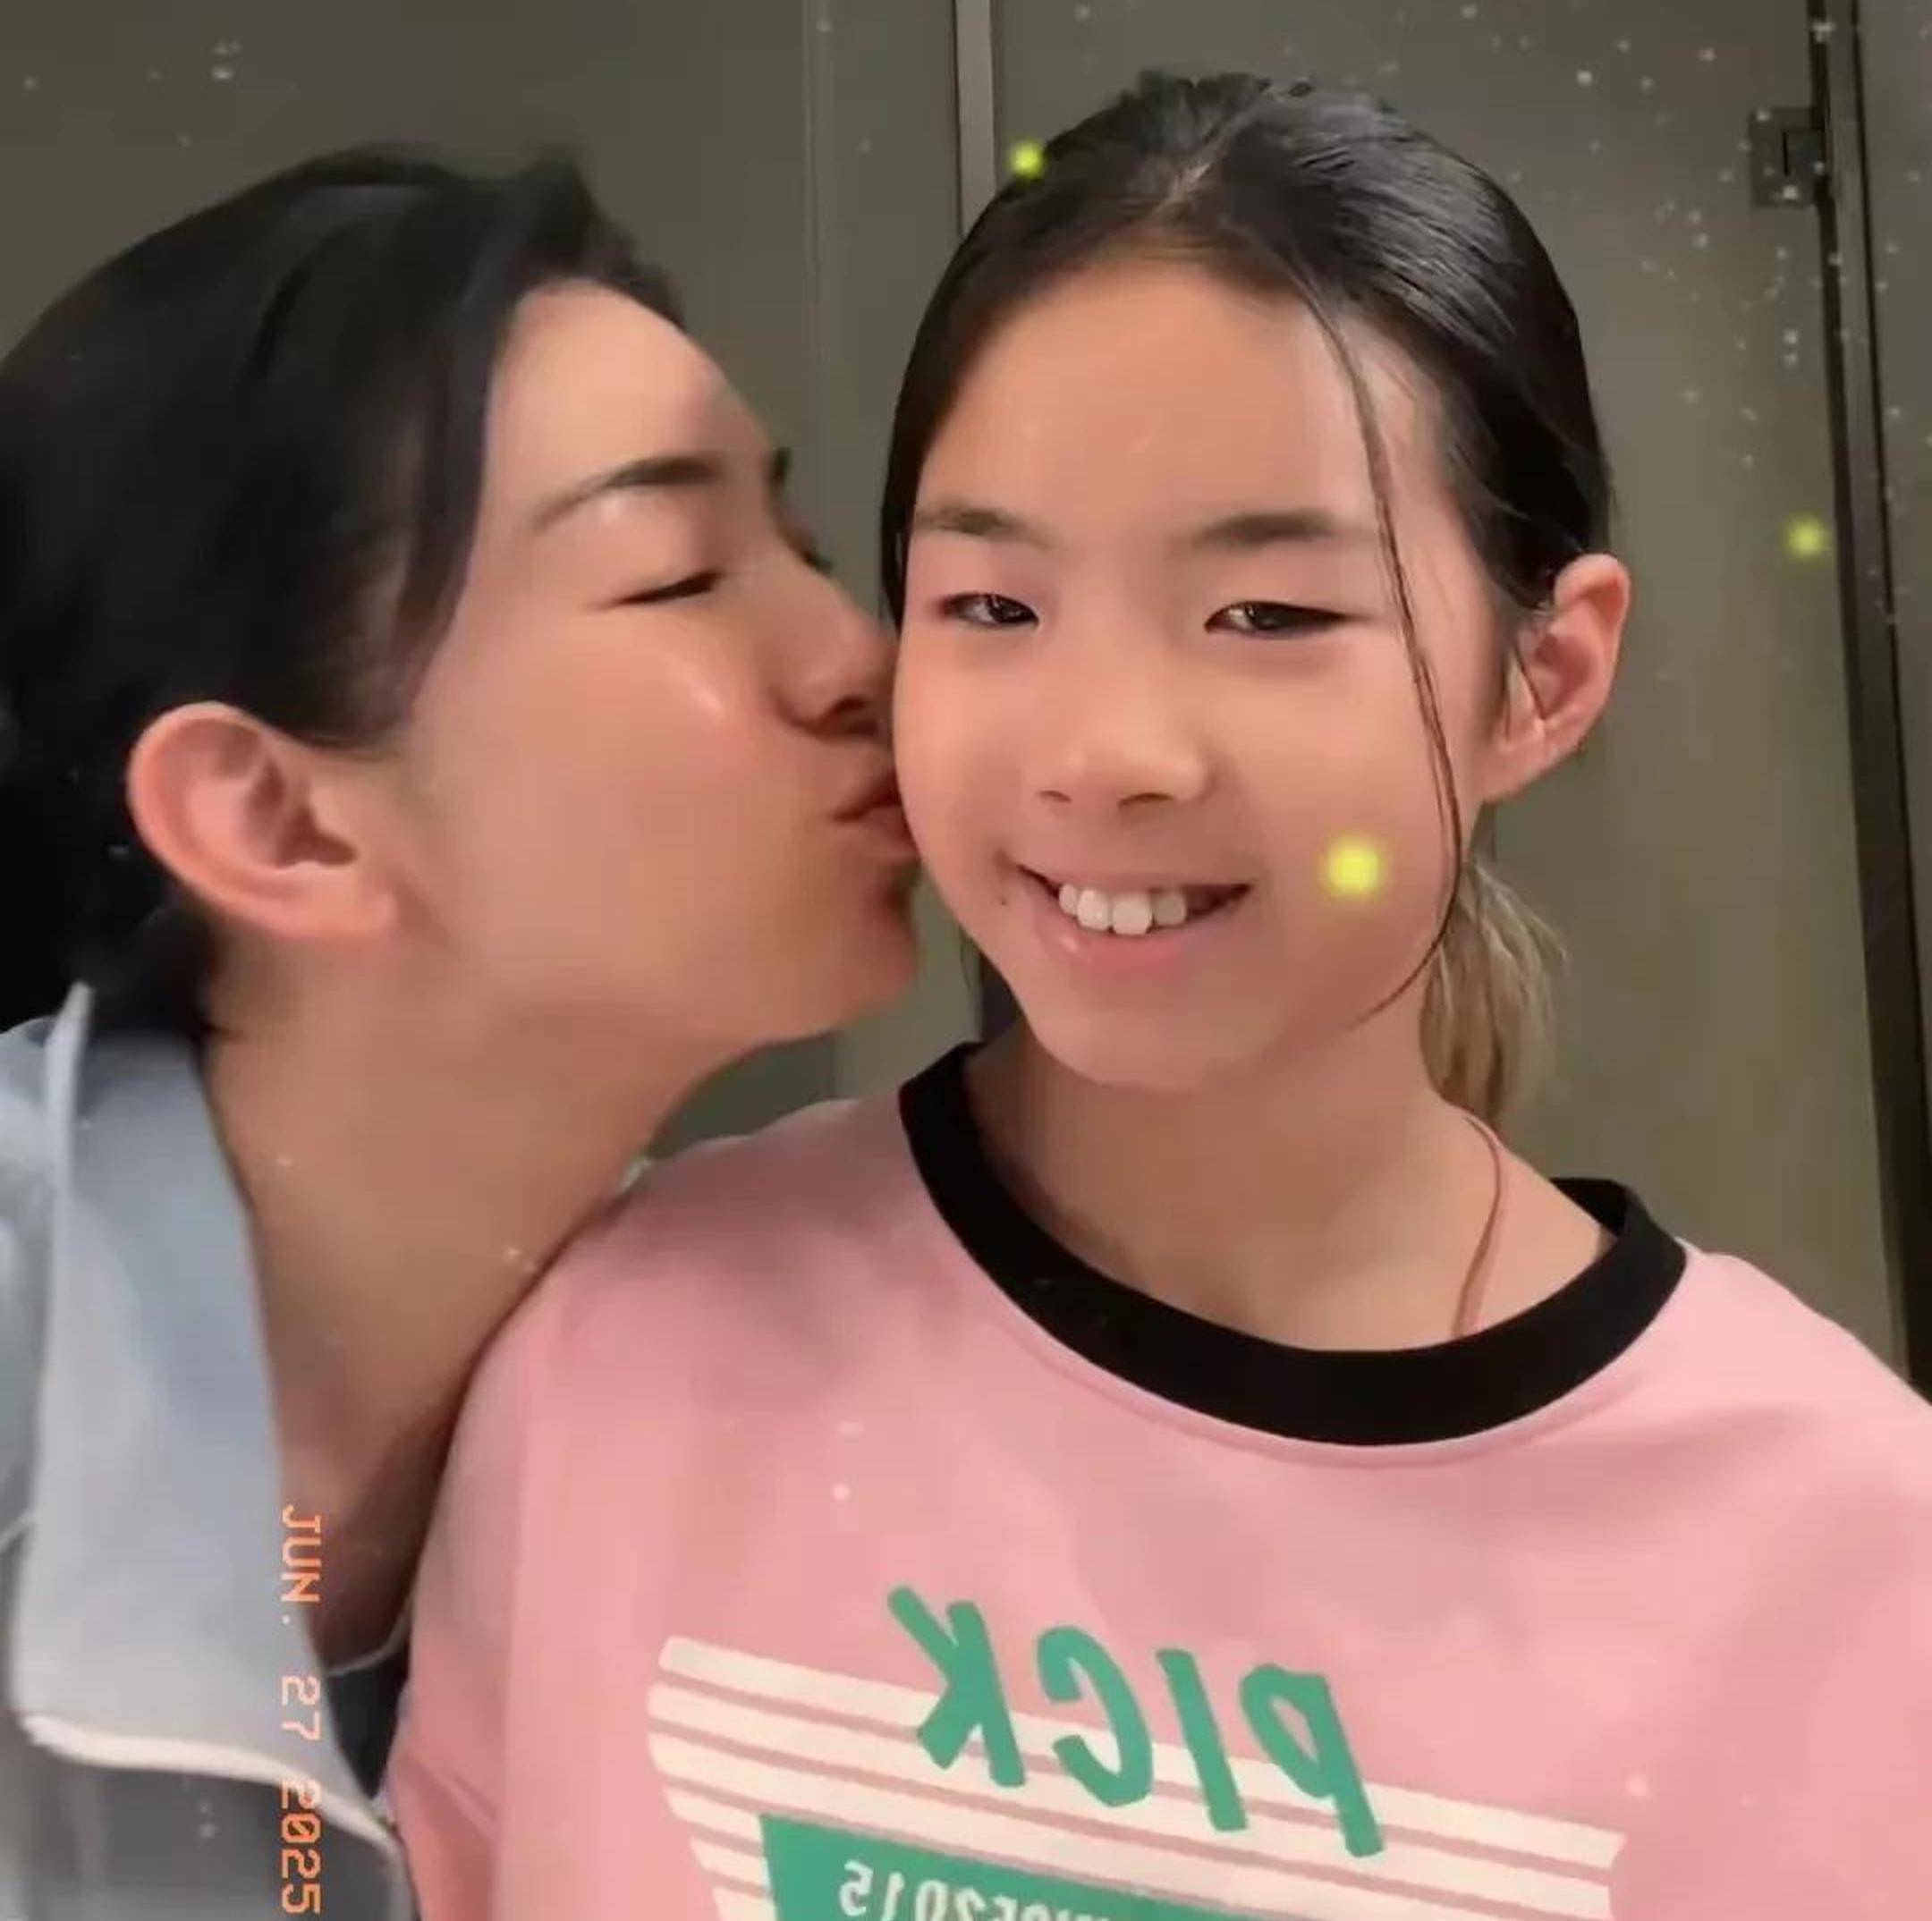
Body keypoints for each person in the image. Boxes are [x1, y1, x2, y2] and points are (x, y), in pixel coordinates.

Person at [389, 74, 1932, 1918]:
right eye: (993, 607)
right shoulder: (625, 1346)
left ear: (1542, 677)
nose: (1106, 753)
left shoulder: (1843, 1553)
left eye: (1267, 616)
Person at [0, 148, 918, 1918]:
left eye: (801, 550)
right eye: (677, 574)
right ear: (281, 819)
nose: (858, 656)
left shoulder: (765, 1378)